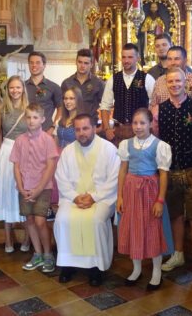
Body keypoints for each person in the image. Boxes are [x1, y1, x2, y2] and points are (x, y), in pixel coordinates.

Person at [152, 67, 192, 281]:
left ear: (185, 82)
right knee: (176, 215)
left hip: (191, 171)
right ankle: (178, 254)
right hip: (169, 171)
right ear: (165, 84)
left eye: (178, 81)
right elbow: (156, 143)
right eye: (170, 81)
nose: (174, 85)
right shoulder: (157, 111)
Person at [54, 114, 121, 286]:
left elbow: (114, 179)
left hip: (101, 198)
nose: (81, 133)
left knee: (96, 220)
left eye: (85, 128)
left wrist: (93, 197)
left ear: (94, 127)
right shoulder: (68, 151)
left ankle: (96, 268)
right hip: (74, 197)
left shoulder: (108, 149)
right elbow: (61, 178)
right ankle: (68, 264)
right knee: (62, 219)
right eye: (77, 129)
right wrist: (75, 197)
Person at [117, 108, 171, 290]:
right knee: (133, 228)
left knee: (152, 228)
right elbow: (123, 171)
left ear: (150, 124)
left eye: (142, 123)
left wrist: (160, 200)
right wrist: (120, 197)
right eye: (135, 123)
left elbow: (163, 174)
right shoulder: (126, 144)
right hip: (131, 191)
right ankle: (136, 268)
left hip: (150, 191)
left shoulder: (159, 145)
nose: (138, 127)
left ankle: (156, 271)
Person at [10, 103, 59, 273]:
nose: (31, 121)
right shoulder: (19, 140)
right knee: (29, 220)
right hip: (24, 187)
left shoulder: (48, 140)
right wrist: (21, 187)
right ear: (25, 119)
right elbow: (16, 166)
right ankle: (37, 253)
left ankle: (48, 254)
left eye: (35, 117)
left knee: (40, 221)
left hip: (42, 188)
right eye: (29, 117)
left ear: (43, 119)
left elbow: (50, 167)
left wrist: (38, 190)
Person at [0, 75, 30, 253]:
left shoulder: (29, 109)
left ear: (23, 89)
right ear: (7, 90)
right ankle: (8, 240)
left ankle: (28, 239)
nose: (15, 91)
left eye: (18, 87)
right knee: (7, 194)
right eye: (11, 88)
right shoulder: (1, 110)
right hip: (6, 152)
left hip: (25, 152)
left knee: (25, 194)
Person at [100, 43, 155, 145]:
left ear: (137, 58)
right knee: (118, 160)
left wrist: (148, 127)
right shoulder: (113, 79)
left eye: (130, 57)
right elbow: (105, 106)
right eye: (124, 57)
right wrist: (107, 129)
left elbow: (154, 105)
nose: (126, 60)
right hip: (119, 130)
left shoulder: (147, 78)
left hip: (141, 131)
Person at [61, 49, 104, 126]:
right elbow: (62, 106)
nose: (82, 66)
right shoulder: (66, 83)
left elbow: (105, 106)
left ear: (91, 65)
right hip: (70, 125)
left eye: (86, 63)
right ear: (76, 62)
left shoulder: (98, 83)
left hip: (91, 125)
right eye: (80, 62)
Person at [25, 51, 62, 134]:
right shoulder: (22, 86)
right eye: (31, 63)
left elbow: (61, 109)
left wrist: (53, 127)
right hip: (25, 133)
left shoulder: (54, 87)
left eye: (38, 62)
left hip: (46, 132)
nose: (34, 65)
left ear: (44, 65)